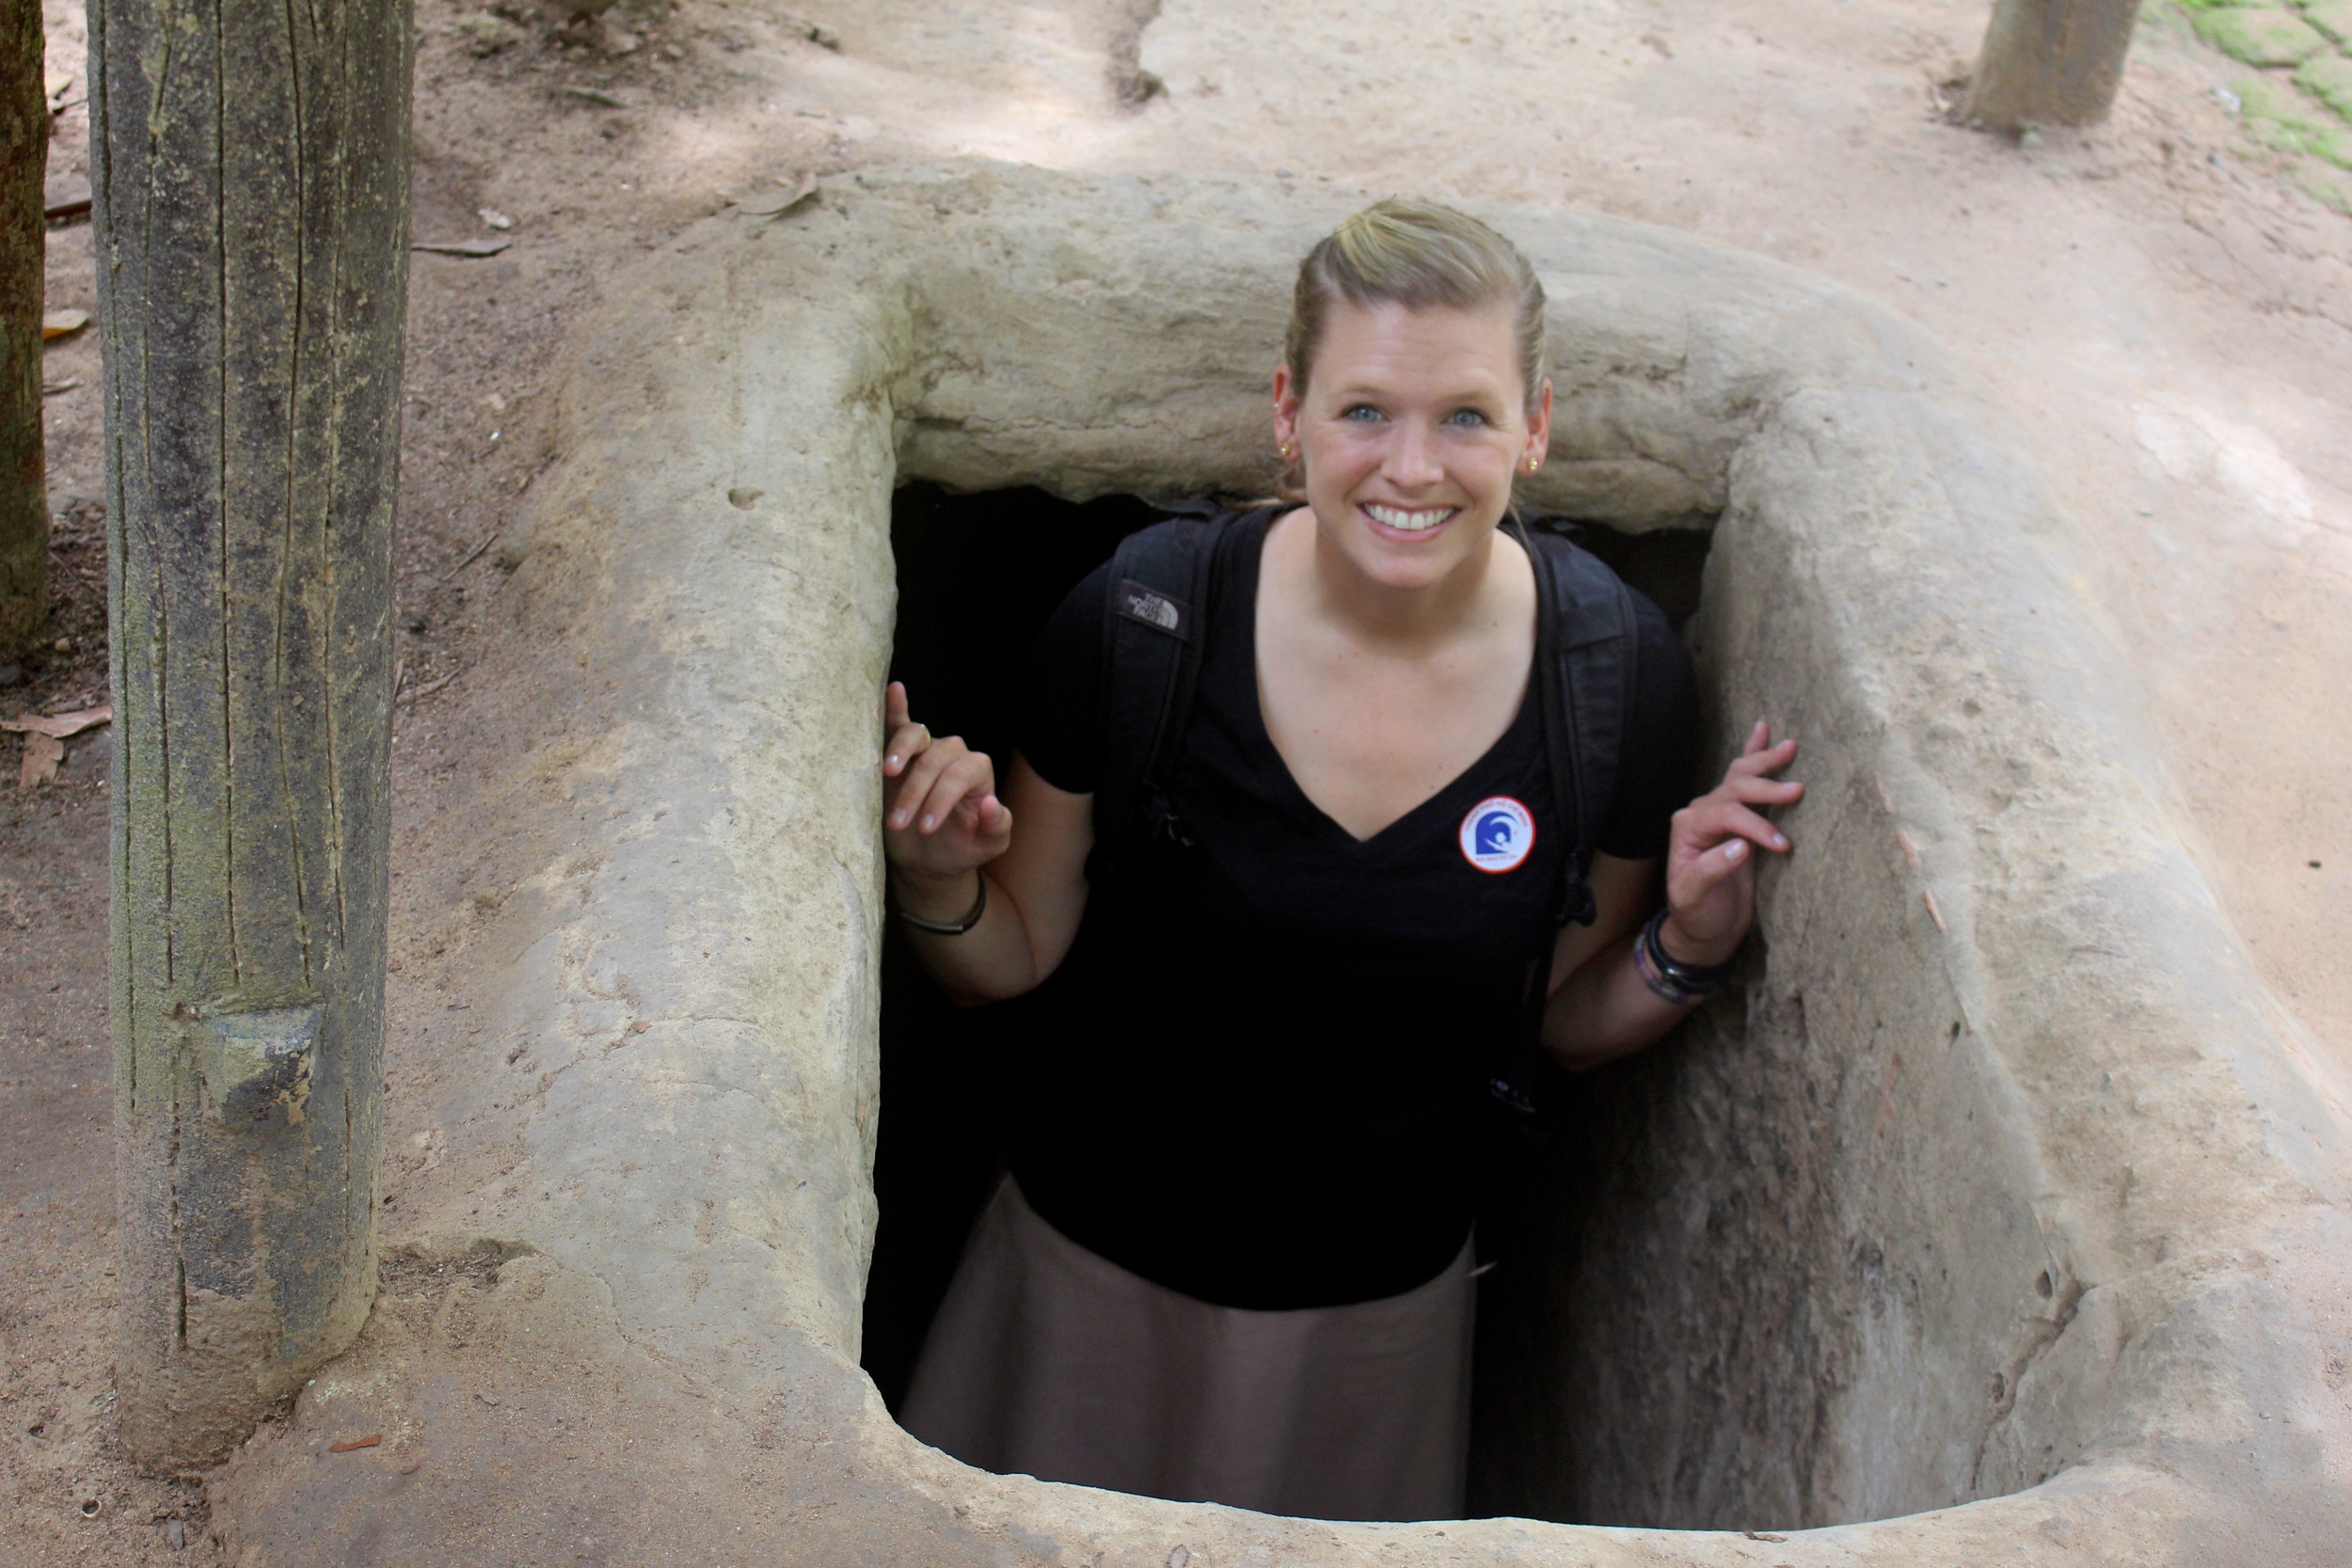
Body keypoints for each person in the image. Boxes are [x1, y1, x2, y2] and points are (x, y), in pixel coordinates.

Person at [876, 198, 1802, 1523]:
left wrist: (1688, 946)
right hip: (1087, 1276)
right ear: (1287, 412)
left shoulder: (1609, 680)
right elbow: (1008, 961)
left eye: (1466, 416)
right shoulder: (1147, 625)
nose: (1412, 467)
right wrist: (934, 880)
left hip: (1370, 1326)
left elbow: (1558, 1022)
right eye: (1365, 410)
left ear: (1537, 426)